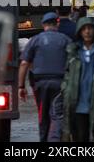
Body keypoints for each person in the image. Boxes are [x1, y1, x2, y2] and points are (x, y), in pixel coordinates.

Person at [18, 12, 72, 142]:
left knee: (43, 115)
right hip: (60, 84)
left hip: (40, 84)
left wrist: (21, 86)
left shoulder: (35, 40)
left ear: (43, 25)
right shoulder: (65, 40)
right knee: (57, 115)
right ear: (57, 23)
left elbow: (24, 63)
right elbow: (74, 61)